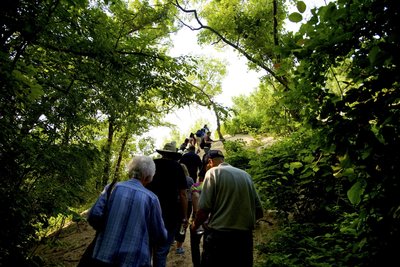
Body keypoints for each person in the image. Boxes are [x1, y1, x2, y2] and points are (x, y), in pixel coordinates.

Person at [87, 156, 167, 267]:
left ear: (131, 171)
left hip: (103, 255)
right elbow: (159, 235)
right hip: (135, 260)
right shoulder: (151, 199)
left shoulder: (112, 188)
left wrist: (107, 229)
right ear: (149, 177)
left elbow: (93, 215)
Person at [191, 150, 264, 267]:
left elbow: (204, 210)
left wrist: (195, 226)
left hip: (220, 239)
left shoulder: (213, 173)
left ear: (209, 162)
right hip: (244, 239)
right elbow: (259, 211)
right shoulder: (246, 175)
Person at [146, 141, 189, 267]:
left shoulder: (152, 164)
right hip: (170, 214)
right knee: (161, 251)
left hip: (149, 211)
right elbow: (183, 194)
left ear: (163, 153)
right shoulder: (178, 167)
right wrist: (185, 216)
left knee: (147, 247)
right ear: (174, 155)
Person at [175, 164, 194, 255]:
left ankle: (171, 240)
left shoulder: (173, 178)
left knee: (173, 221)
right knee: (183, 223)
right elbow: (193, 193)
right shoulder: (189, 179)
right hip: (188, 203)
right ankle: (179, 247)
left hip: (175, 203)